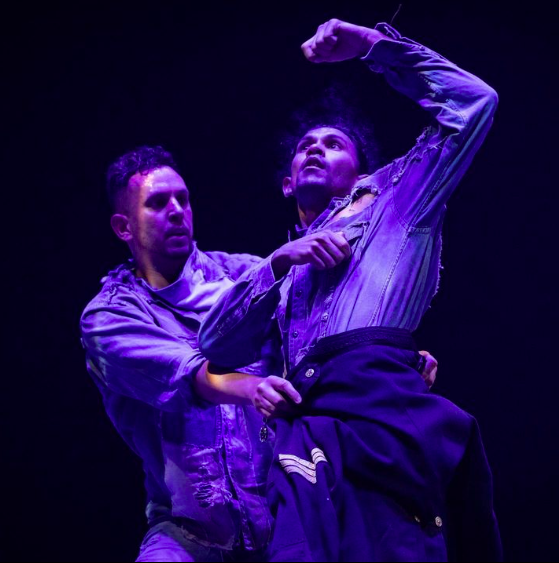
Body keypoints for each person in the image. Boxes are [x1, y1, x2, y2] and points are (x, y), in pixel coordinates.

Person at [198, 18, 502, 562]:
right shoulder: (283, 270)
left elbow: (475, 104)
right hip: (307, 431)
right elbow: (215, 345)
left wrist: (370, 45)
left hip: (378, 415)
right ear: (288, 183)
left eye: (334, 145)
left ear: (361, 171)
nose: (316, 150)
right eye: (305, 147)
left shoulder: (398, 198)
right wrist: (278, 262)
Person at [79, 144, 441, 561]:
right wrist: (253, 388)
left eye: (183, 199)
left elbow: (317, 337)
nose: (176, 211)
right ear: (123, 227)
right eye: (158, 203)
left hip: (285, 515)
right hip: (190, 532)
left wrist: (390, 360)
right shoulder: (108, 316)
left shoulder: (244, 275)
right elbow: (186, 374)